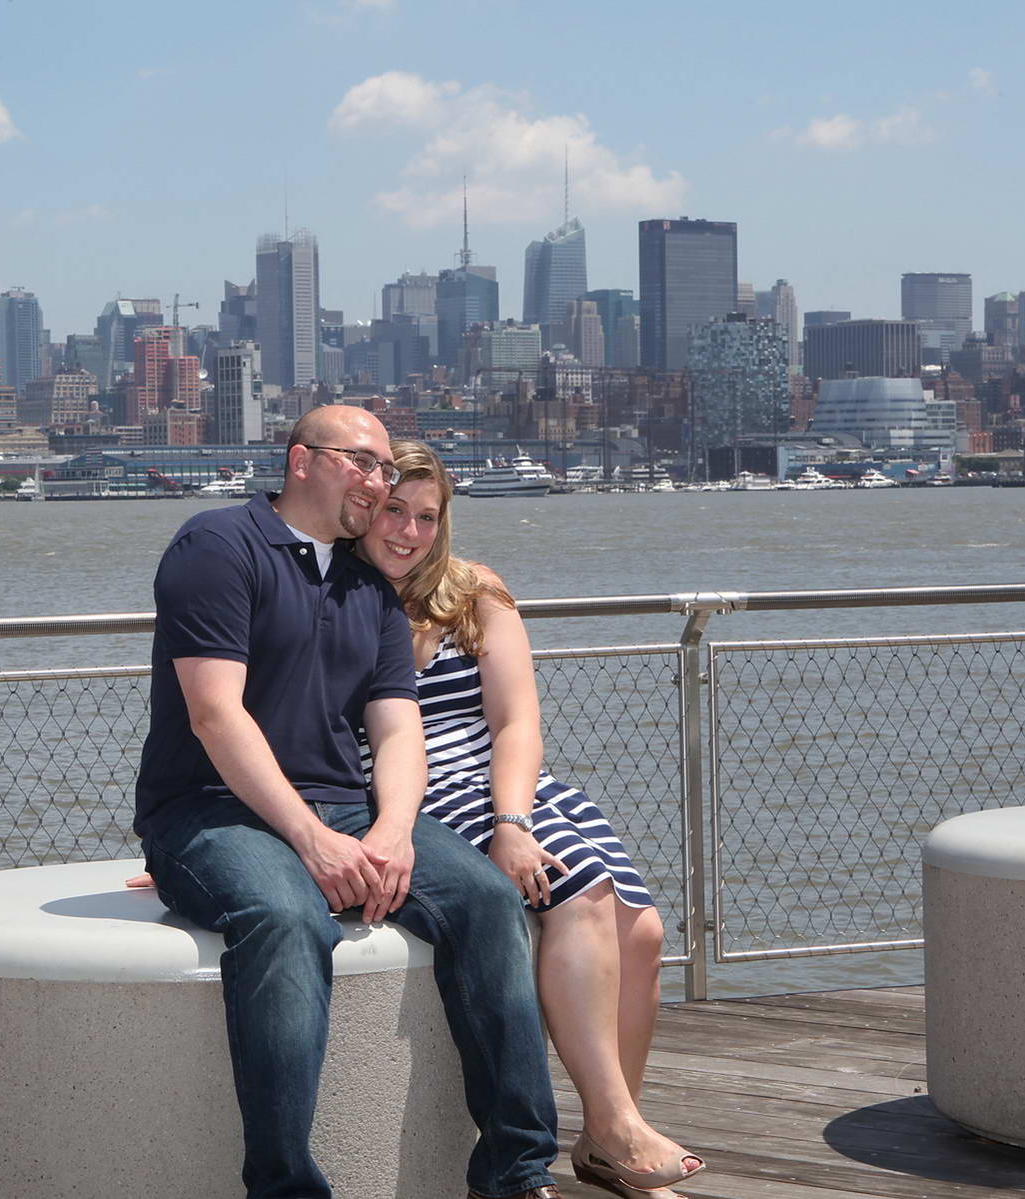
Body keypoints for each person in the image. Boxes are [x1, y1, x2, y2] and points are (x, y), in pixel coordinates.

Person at [132, 405, 561, 1199]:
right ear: (301, 461)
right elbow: (213, 712)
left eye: (385, 469)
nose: (378, 481)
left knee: (484, 900)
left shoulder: (368, 584)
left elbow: (398, 728)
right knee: (289, 918)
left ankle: (515, 1170)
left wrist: (394, 831)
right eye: (362, 463)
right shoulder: (217, 547)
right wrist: (309, 839)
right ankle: (284, 1186)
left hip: (348, 806)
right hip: (208, 810)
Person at [353, 439, 704, 1199]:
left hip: (513, 786)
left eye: (425, 515)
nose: (408, 531)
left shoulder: (474, 591)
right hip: (425, 795)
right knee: (580, 892)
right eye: (393, 510)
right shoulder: (339, 601)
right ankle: (615, 1130)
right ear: (363, 507)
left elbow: (515, 722)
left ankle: (613, 1133)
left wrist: (513, 816)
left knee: (641, 929)